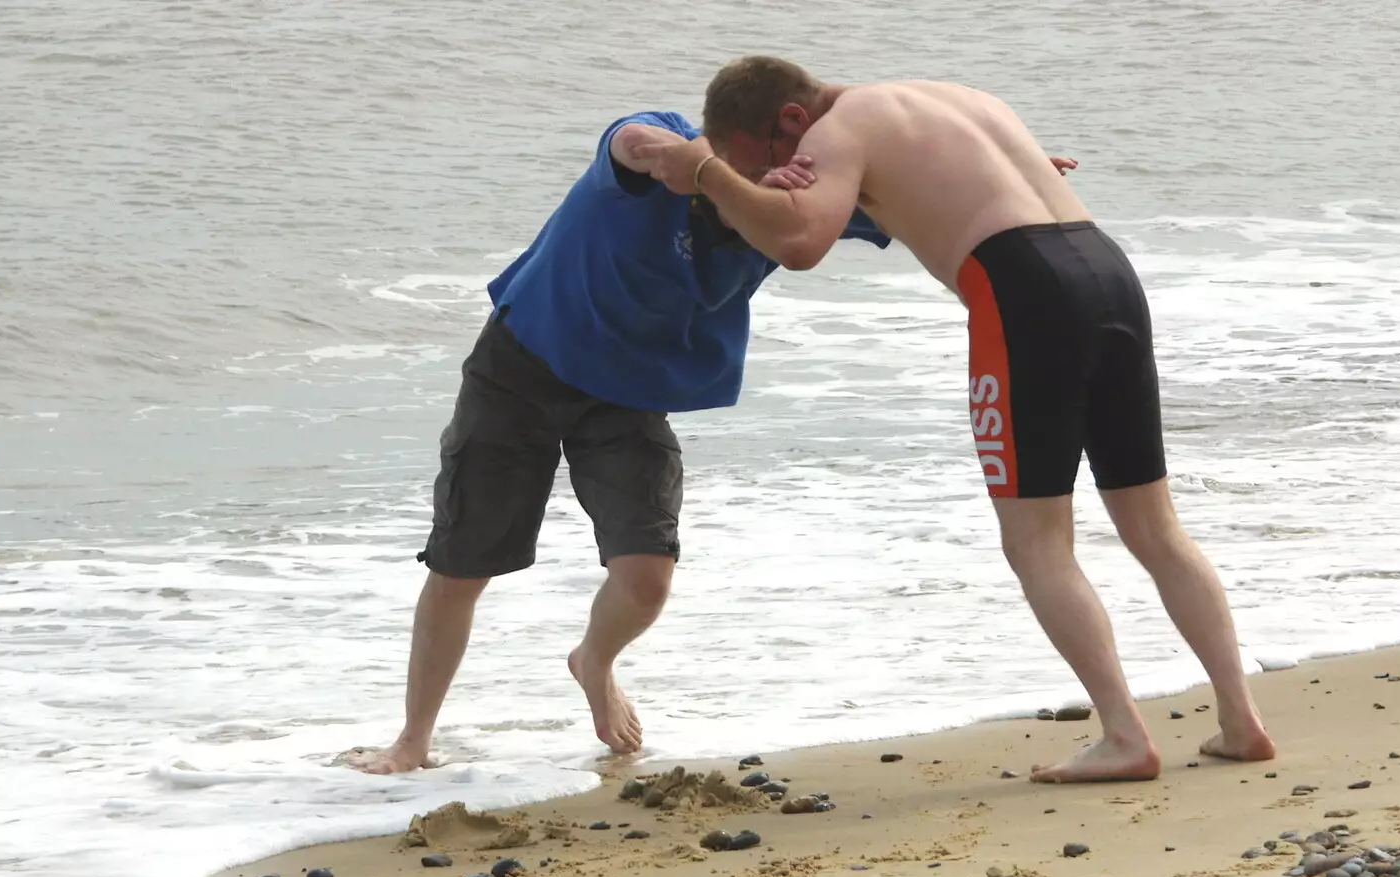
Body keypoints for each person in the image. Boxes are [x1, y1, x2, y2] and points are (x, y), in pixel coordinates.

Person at [630, 57, 1277, 783]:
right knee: (1154, 526)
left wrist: (704, 174)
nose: (779, 177)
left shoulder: (839, 129)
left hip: (1023, 293)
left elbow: (799, 243)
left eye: (768, 163)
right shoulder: (956, 98)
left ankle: (1126, 734)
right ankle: (1241, 719)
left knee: (1037, 540)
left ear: (789, 119)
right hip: (1108, 272)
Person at [348, 109, 892, 774]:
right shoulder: (658, 144)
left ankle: (593, 662)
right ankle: (412, 739)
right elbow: (634, 144)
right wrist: (712, 172)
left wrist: (1006, 178)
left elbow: (914, 203)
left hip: (629, 392)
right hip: (523, 366)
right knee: (462, 565)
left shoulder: (789, 207)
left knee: (645, 581)